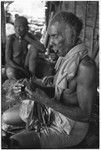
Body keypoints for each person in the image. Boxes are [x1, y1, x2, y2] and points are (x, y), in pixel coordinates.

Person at [2, 11, 97, 148]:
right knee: (6, 117)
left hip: (69, 127)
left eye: (54, 36)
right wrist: (32, 87)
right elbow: (61, 93)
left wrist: (46, 101)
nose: (50, 43)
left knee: (13, 144)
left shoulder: (85, 67)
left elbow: (85, 115)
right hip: (53, 112)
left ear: (70, 36)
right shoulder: (67, 58)